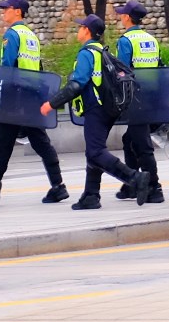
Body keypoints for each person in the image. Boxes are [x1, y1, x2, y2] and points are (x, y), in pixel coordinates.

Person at [41, 15, 151, 209]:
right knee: (94, 151)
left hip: (96, 109)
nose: (78, 30)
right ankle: (91, 195)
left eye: (81, 27)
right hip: (108, 109)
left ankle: (134, 177)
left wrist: (52, 103)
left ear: (87, 31)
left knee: (96, 151)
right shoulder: (102, 51)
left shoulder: (86, 53)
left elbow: (77, 84)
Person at [0, 0, 69, 204]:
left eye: (7, 8)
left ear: (18, 11)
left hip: (15, 97)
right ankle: (58, 185)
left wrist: (0, 94)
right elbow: (37, 67)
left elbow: (7, 67)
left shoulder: (12, 35)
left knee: (3, 144)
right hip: (31, 96)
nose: (3, 12)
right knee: (40, 142)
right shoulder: (31, 35)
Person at [111, 2, 165, 203]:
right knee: (129, 140)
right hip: (151, 96)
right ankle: (131, 184)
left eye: (122, 14)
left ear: (127, 18)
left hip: (135, 98)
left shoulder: (126, 41)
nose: (120, 17)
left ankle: (153, 187)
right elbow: (159, 67)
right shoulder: (151, 40)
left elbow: (122, 72)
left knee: (142, 144)